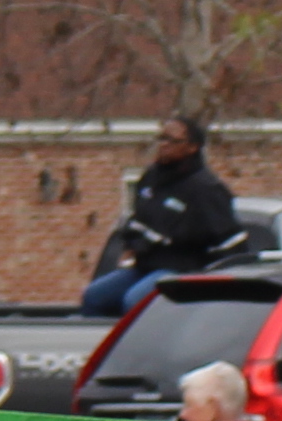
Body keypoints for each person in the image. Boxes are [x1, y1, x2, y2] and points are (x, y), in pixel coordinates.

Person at [76, 118, 243, 316]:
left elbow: (229, 242)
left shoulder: (206, 188)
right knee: (95, 295)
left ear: (192, 147)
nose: (163, 145)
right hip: (146, 266)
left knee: (136, 299)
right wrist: (132, 245)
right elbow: (138, 221)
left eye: (172, 140)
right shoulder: (151, 179)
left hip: (184, 270)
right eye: (161, 138)